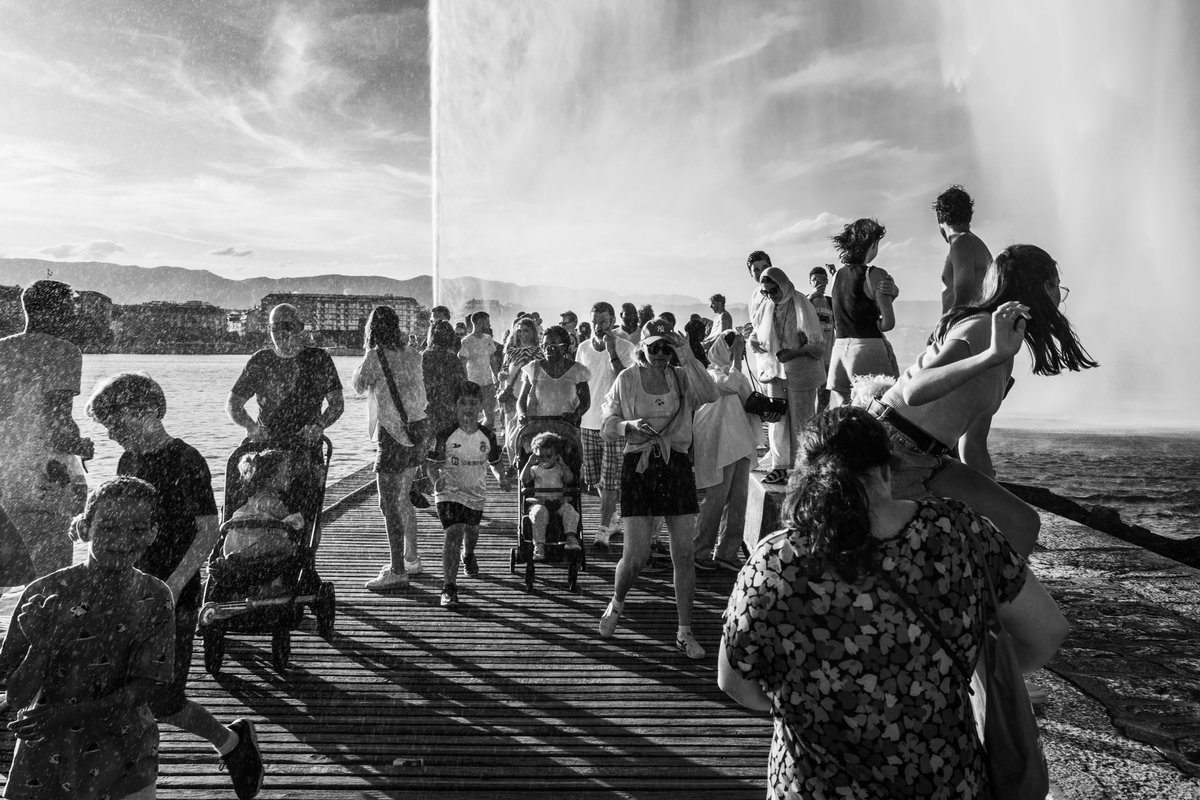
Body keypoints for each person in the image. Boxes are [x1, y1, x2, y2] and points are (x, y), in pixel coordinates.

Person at [719, 407, 1069, 799]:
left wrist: (816, 700)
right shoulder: (960, 532)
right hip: (943, 782)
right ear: (887, 470)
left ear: (806, 475)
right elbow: (1048, 632)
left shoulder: (776, 560)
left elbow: (735, 684)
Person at [88, 373, 264, 799]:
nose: (112, 433)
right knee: (124, 689)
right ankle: (125, 775)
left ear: (148, 412)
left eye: (117, 422)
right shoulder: (128, 461)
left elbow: (208, 530)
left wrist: (172, 584)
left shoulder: (185, 459)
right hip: (131, 593)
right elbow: (122, 521)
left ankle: (232, 742)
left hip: (174, 597)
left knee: (164, 699)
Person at [872, 243, 1097, 559]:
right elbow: (915, 391)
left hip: (930, 458)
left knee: (1021, 521)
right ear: (1040, 286)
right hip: (891, 450)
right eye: (1056, 285)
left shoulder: (1006, 350)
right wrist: (991, 355)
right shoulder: (981, 329)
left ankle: (996, 601)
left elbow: (973, 444)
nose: (1059, 295)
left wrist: (993, 497)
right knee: (938, 554)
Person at [0, 477, 174, 800]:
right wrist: (41, 645)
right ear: (85, 529)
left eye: (137, 529)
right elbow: (16, 695)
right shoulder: (42, 594)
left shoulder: (155, 597)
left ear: (153, 534)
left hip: (126, 759)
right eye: (108, 527)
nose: (122, 540)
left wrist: (69, 714)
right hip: (45, 761)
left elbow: (146, 687)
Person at [598, 319, 718, 659]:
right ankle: (617, 602)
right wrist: (628, 425)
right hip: (639, 467)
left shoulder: (681, 375)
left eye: (668, 347)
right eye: (655, 348)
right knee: (636, 556)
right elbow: (607, 425)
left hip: (676, 464)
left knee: (683, 554)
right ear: (642, 349)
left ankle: (684, 631)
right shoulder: (627, 379)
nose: (662, 354)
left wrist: (688, 355)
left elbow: (710, 395)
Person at [0, 280, 93, 579]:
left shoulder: (2, 349)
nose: (72, 316)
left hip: (4, 475)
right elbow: (57, 425)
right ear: (53, 311)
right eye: (68, 308)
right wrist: (81, 445)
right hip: (41, 478)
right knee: (51, 579)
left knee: (4, 573)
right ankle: (41, 625)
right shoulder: (63, 352)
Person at [227, 303, 343, 521]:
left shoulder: (319, 359)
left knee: (308, 518)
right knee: (259, 514)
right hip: (264, 453)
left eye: (286, 326)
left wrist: (318, 426)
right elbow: (233, 405)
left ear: (300, 328)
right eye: (273, 327)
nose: (280, 333)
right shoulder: (260, 360)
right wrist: (251, 427)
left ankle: (305, 551)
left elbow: (337, 404)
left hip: (305, 449)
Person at [352, 306, 430, 590]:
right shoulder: (412, 353)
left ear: (372, 328)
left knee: (388, 504)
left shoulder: (375, 356)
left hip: (393, 436)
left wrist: (363, 361)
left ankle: (397, 569)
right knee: (402, 500)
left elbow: (359, 386)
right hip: (418, 432)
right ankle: (411, 558)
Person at [427, 382, 511, 610]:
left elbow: (495, 462)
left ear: (481, 406)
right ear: (455, 406)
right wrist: (436, 481)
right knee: (454, 532)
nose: (468, 408)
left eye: (473, 403)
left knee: (471, 531)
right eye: (462, 403)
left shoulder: (488, 435)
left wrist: (502, 477)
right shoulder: (445, 434)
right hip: (449, 492)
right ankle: (449, 588)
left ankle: (469, 554)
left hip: (476, 493)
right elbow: (431, 466)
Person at [692, 330, 764, 573]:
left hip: (740, 443)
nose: (739, 352)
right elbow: (730, 386)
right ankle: (700, 550)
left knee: (738, 502)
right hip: (719, 445)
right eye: (734, 347)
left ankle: (727, 552)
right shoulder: (710, 374)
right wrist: (735, 358)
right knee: (715, 500)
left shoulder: (739, 375)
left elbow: (748, 399)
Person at [749, 267, 826, 484]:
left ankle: (804, 466)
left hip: (801, 372)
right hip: (774, 372)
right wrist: (753, 341)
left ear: (782, 285)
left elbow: (818, 345)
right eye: (765, 292)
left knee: (803, 420)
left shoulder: (802, 303)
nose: (770, 295)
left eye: (773, 290)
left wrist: (794, 353)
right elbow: (756, 332)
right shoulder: (766, 306)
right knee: (777, 419)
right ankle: (780, 466)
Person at [572, 303, 636, 549]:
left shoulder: (625, 347)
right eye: (595, 321)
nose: (598, 326)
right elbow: (578, 383)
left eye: (604, 321)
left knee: (610, 481)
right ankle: (613, 520)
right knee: (595, 480)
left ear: (613, 321)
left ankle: (602, 531)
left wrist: (612, 352)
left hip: (613, 423)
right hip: (587, 423)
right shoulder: (583, 348)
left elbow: (627, 381)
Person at [826, 218, 900, 407]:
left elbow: (849, 306)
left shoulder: (836, 276)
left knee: (845, 415)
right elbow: (888, 323)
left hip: (840, 350)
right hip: (867, 349)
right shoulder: (876, 274)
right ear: (872, 244)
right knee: (879, 411)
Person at [221, 449, 303, 559]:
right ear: (271, 478)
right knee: (290, 546)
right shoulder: (271, 502)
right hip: (255, 544)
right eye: (285, 473)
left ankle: (237, 557)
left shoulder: (253, 499)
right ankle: (245, 555)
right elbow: (292, 523)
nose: (289, 476)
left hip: (234, 543)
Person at [520, 431, 581, 560]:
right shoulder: (535, 469)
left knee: (570, 511)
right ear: (535, 456)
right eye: (541, 456)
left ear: (556, 455)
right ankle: (539, 544)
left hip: (558, 502)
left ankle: (571, 537)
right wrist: (529, 464)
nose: (545, 460)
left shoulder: (559, 468)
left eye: (549, 456)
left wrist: (563, 464)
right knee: (538, 513)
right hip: (540, 502)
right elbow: (524, 480)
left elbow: (569, 479)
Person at [515, 325, 591, 429]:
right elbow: (521, 400)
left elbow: (585, 402)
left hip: (567, 428)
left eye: (553, 345)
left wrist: (574, 416)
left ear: (564, 347)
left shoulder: (578, 371)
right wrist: (521, 414)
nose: (547, 349)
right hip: (538, 428)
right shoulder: (533, 368)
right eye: (544, 345)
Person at [935, 184, 993, 313]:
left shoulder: (961, 243)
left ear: (939, 218)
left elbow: (964, 294)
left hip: (965, 323)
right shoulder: (973, 243)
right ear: (970, 217)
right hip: (975, 320)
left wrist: (946, 326)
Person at [496, 317, 543, 473]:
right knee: (510, 435)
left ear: (533, 332)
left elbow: (540, 375)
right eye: (520, 330)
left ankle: (526, 467)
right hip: (510, 396)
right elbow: (503, 369)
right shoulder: (511, 351)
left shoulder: (538, 351)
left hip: (528, 397)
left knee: (522, 435)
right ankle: (515, 468)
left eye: (526, 330)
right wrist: (502, 375)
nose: (523, 334)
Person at [458, 311, 498, 428]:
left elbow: (492, 360)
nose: (489, 325)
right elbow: (462, 363)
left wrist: (496, 378)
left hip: (488, 383)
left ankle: (484, 436)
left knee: (490, 418)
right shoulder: (466, 341)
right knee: (472, 416)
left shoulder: (488, 338)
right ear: (480, 322)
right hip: (474, 384)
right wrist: (465, 383)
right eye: (487, 322)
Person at [807, 266, 835, 413]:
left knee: (824, 397)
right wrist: (811, 296)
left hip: (828, 357)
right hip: (810, 357)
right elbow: (798, 315)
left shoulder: (831, 302)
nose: (819, 283)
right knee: (809, 396)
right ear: (810, 282)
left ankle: (821, 425)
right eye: (815, 280)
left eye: (822, 279)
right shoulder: (807, 301)